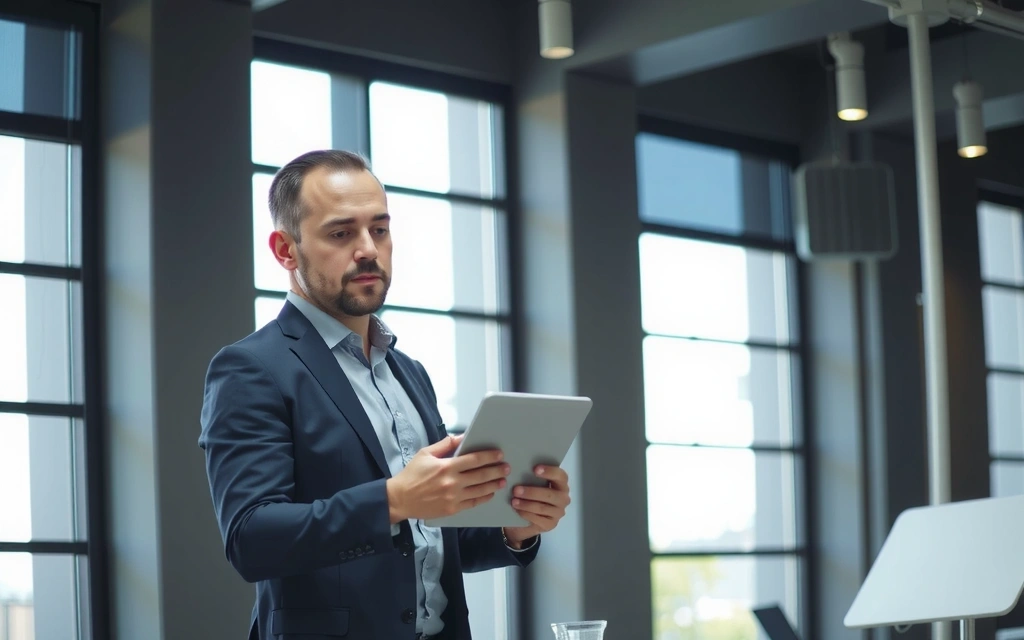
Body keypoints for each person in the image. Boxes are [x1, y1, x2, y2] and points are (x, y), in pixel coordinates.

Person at [198, 149, 572, 640]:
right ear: (285, 250)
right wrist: (394, 499)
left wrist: (514, 529)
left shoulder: (409, 372)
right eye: (341, 233)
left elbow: (429, 539)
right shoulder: (251, 368)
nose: (368, 249)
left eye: (379, 229)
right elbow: (251, 539)